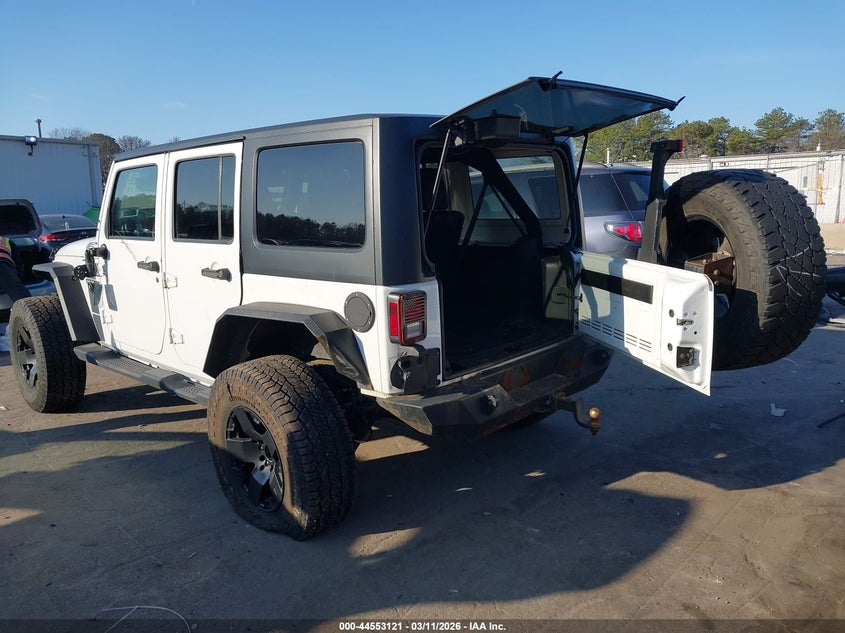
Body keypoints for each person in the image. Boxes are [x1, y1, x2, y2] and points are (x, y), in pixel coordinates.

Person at [0, 235, 31, 304]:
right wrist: (17, 279)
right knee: (25, 302)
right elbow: (19, 264)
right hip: (4, 268)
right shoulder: (6, 240)